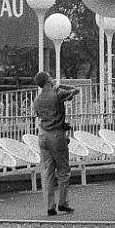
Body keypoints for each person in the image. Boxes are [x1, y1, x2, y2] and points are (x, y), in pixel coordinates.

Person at [32, 71, 80, 215]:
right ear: (47, 80)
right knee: (63, 170)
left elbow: (38, 114)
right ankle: (63, 202)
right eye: (50, 77)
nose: (52, 79)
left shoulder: (38, 99)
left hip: (43, 134)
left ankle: (49, 205)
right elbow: (75, 90)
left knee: (47, 171)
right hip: (56, 134)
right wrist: (61, 85)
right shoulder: (57, 94)